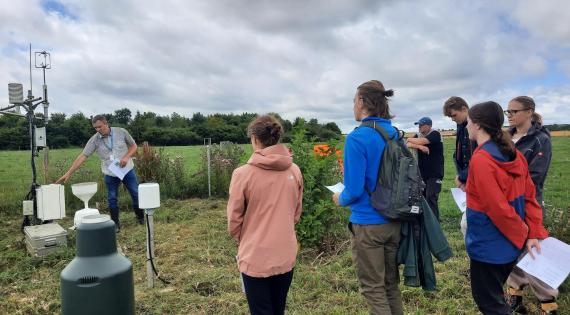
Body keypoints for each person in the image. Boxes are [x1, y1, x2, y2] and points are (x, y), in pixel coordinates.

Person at [464, 101, 548, 314]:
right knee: (494, 298)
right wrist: (532, 232)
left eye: (469, 122)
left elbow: (498, 209)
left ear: (478, 126)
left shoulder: (482, 159)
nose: (466, 127)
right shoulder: (515, 154)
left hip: (489, 245)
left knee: (489, 302)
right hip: (511, 246)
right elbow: (530, 196)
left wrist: (522, 233)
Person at [332, 80, 403, 315]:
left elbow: (353, 189)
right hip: (395, 220)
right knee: (391, 285)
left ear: (362, 102)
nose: (353, 106)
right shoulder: (394, 134)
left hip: (368, 223)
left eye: (354, 101)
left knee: (373, 288)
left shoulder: (357, 138)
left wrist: (340, 199)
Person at [226, 115, 303, 315]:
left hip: (255, 257)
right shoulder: (294, 170)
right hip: (285, 253)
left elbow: (234, 221)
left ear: (254, 138)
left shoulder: (242, 174)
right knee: (278, 309)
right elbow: (296, 214)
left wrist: (246, 238)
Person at [504, 96, 557, 315]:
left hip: (528, 203)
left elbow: (535, 176)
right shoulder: (506, 137)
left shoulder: (540, 140)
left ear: (529, 112)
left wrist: (504, 184)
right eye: (508, 112)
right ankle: (515, 295)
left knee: (533, 250)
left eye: (514, 111)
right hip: (506, 203)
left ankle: (548, 302)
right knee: (510, 249)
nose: (510, 116)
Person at [56, 115, 143, 231]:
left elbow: (134, 146)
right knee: (112, 198)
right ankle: (115, 224)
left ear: (106, 123)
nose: (98, 130)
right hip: (110, 173)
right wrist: (68, 173)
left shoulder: (121, 132)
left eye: (100, 127)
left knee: (136, 193)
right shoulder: (94, 140)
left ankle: (140, 218)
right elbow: (83, 156)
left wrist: (127, 157)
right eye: (95, 128)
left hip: (127, 170)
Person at [443, 96, 476, 237]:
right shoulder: (461, 126)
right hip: (467, 179)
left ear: (464, 109)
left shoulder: (475, 126)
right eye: (450, 117)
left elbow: (477, 157)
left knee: (467, 225)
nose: (453, 119)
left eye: (454, 115)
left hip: (475, 178)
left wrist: (463, 175)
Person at [405, 117, 444, 220]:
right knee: (423, 198)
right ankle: (425, 221)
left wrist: (411, 140)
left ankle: (434, 222)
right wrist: (420, 147)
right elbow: (407, 143)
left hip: (435, 172)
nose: (419, 127)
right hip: (422, 173)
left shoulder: (435, 134)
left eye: (422, 125)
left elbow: (423, 141)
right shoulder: (418, 135)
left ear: (429, 125)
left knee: (431, 197)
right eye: (419, 125)